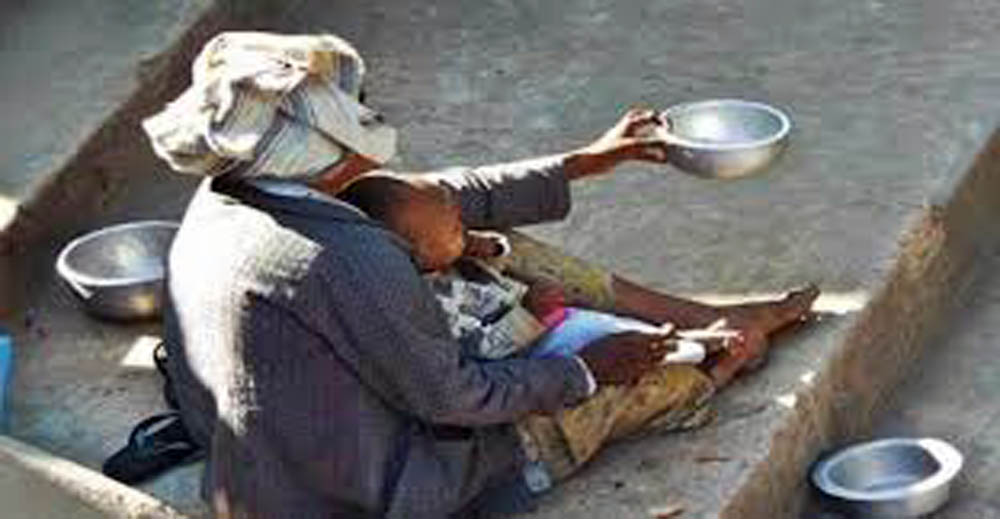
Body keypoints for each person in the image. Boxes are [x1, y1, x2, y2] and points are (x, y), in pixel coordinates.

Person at [145, 32, 818, 519]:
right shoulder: (343, 257)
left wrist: (584, 161)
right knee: (626, 384)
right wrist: (587, 370)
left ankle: (700, 319)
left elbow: (439, 196)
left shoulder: (237, 191)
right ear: (326, 149)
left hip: (275, 456)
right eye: (355, 109)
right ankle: (718, 360)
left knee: (475, 236)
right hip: (370, 490)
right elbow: (454, 398)